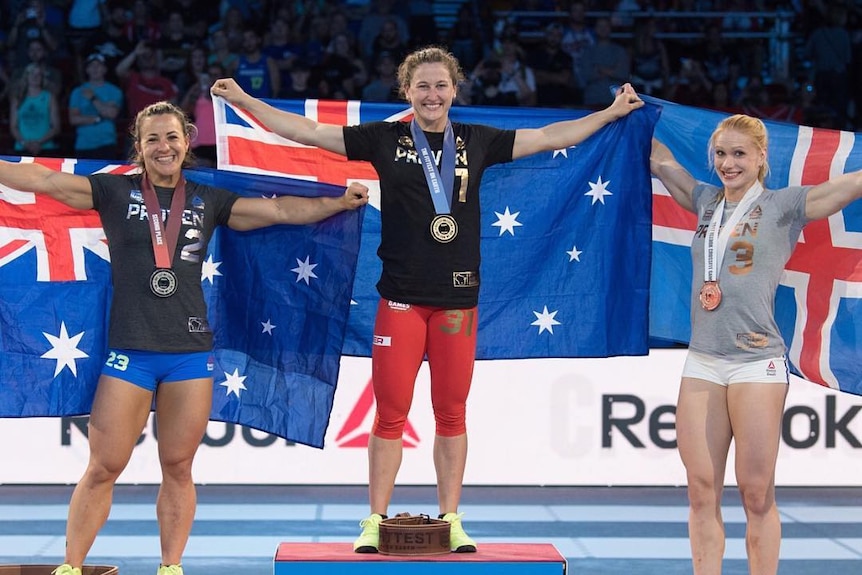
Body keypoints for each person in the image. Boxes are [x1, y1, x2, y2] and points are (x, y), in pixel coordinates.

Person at [211, 45, 643, 555]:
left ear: (454, 90)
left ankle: (452, 519)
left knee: (452, 414)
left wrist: (611, 113)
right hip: (400, 302)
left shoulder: (478, 142)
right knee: (390, 414)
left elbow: (550, 137)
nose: (432, 94)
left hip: (457, 302)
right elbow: (305, 132)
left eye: (441, 86)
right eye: (423, 86)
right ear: (407, 92)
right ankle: (374, 520)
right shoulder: (384, 138)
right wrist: (244, 100)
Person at [0, 100, 368, 575]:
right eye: (152, 139)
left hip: (190, 355)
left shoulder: (208, 199)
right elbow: (44, 181)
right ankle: (71, 568)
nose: (163, 146)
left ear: (186, 141)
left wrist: (337, 203)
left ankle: (170, 567)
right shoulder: (113, 191)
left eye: (171, 137)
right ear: (139, 147)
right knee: (103, 468)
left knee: (178, 467)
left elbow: (279, 212)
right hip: (130, 352)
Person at [650, 114, 862, 575]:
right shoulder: (706, 200)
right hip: (703, 362)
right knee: (701, 489)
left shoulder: (784, 205)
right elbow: (661, 162)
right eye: (721, 154)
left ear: (762, 157)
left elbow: (847, 187)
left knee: (756, 492)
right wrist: (623, 114)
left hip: (756, 363)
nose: (728, 163)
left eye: (739, 154)